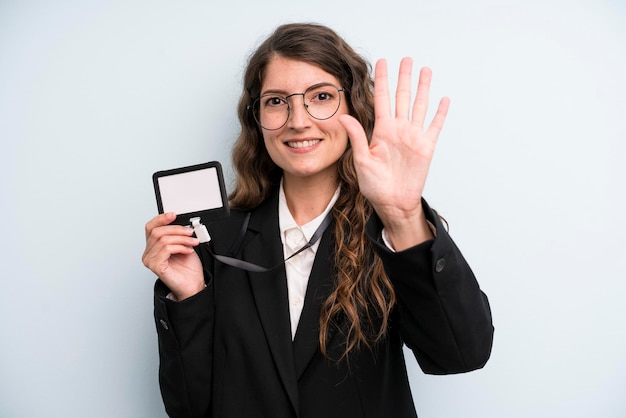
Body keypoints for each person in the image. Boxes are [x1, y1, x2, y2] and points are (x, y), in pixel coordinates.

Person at [142, 22, 493, 418]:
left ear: (354, 107)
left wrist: (403, 217)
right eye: (276, 101)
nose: (298, 120)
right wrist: (189, 297)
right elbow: (189, 408)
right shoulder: (214, 238)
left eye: (321, 96)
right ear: (256, 117)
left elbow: (462, 354)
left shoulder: (394, 232)